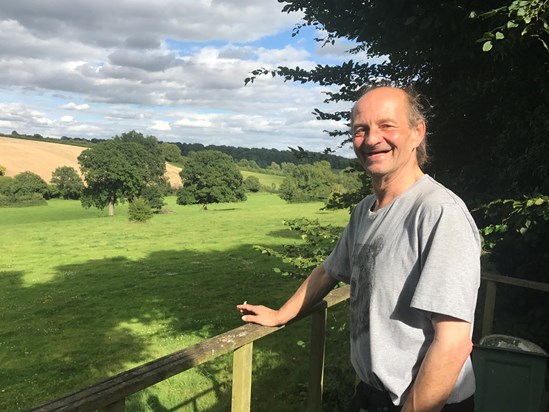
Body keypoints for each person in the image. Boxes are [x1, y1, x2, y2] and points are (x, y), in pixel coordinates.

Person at [237, 86, 480, 412]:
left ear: (416, 132)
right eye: (360, 130)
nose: (371, 139)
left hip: (427, 399)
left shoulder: (438, 212)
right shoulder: (365, 211)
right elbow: (329, 271)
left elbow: (452, 343)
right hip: (373, 393)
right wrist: (282, 314)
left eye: (386, 126)